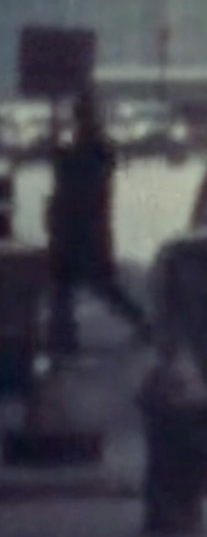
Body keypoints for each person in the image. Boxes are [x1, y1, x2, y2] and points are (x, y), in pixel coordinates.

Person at [44, 86, 151, 353]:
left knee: (81, 286)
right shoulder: (93, 151)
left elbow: (74, 178)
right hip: (81, 231)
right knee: (74, 287)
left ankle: (65, 338)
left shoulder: (93, 153)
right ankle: (63, 337)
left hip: (82, 231)